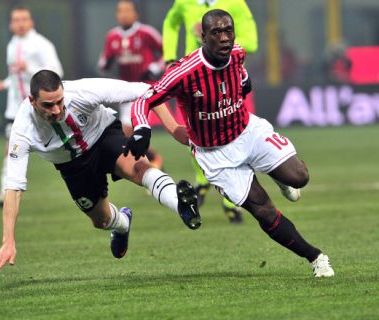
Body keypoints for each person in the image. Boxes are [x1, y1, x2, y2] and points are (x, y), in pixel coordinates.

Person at [124, 9, 334, 277]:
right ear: (203, 37)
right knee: (265, 212)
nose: (224, 38)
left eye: (228, 31)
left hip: (248, 131)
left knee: (300, 177)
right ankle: (316, 257)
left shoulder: (237, 53)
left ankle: (279, 175)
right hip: (216, 155)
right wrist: (142, 129)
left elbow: (243, 78)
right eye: (216, 33)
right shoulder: (185, 72)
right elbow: (145, 99)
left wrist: (242, 86)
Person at [0, 70, 201, 272]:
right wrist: (8, 241)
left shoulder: (82, 91)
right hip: (73, 166)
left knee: (138, 169)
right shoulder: (22, 129)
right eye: (48, 105)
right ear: (32, 101)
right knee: (101, 221)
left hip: (103, 136)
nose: (56, 110)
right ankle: (122, 224)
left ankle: (179, 202)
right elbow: (14, 188)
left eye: (59, 102)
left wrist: (173, 128)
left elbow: (147, 90)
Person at [162, 0, 258, 223]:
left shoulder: (235, 4)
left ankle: (230, 200)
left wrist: (214, 37)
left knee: (232, 140)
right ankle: (202, 179)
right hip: (191, 82)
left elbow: (251, 42)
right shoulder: (184, 3)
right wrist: (169, 56)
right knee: (192, 133)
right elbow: (170, 23)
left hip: (224, 78)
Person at [0, 5, 64, 207]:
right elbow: (15, 76)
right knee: (11, 149)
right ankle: (6, 194)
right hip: (15, 108)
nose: (20, 23)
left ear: (31, 22)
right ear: (11, 24)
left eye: (24, 19)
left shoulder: (41, 44)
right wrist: (3, 83)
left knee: (62, 146)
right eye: (16, 20)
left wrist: (28, 68)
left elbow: (56, 73)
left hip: (41, 108)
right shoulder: (12, 45)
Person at [98, 0, 165, 169]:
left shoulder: (146, 33)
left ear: (135, 14)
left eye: (127, 10)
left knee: (127, 132)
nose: (124, 14)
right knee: (129, 135)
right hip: (125, 91)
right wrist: (107, 62)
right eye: (120, 10)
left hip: (144, 90)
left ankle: (149, 166)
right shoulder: (112, 36)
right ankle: (155, 163)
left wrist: (155, 66)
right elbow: (102, 64)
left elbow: (166, 51)